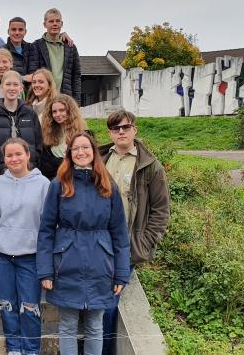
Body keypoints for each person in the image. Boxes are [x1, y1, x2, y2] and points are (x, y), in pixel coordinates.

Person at [37, 132, 131, 355]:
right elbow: (46, 230)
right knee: (68, 326)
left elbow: (119, 233)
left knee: (95, 326)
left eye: (85, 148)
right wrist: (45, 271)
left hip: (101, 264)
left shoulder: (108, 185)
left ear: (94, 152)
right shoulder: (59, 184)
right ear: (69, 153)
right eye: (75, 148)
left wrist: (121, 273)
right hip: (67, 262)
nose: (81, 152)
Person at [100, 109, 171, 355]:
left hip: (125, 246)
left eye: (125, 127)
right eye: (115, 128)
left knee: (109, 303)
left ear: (134, 130)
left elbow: (161, 211)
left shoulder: (150, 166)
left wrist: (145, 242)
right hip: (96, 242)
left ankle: (105, 351)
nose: (121, 132)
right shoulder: (99, 157)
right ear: (109, 132)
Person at [0, 138, 50, 355]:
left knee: (30, 307)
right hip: (1, 253)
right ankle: (14, 347)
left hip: (30, 255)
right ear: (3, 159)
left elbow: (48, 222)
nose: (14, 159)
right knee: (6, 304)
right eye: (9, 155)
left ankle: (31, 349)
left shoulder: (43, 184)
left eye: (18, 154)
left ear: (28, 155)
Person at [0, 70, 43, 177]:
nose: (11, 88)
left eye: (15, 84)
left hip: (28, 173)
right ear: (2, 88)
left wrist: (31, 166)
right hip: (1, 175)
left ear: (21, 88)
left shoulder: (30, 113)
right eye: (8, 84)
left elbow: (38, 145)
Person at [29, 8, 82, 102]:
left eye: (58, 21)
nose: (55, 24)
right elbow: (33, 74)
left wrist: (76, 101)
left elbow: (76, 76)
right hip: (44, 99)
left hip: (65, 99)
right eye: (51, 21)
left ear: (62, 24)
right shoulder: (36, 46)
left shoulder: (70, 47)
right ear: (44, 24)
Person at [40, 94, 87, 180]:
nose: (58, 114)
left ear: (70, 111)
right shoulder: (47, 133)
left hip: (75, 178)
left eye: (62, 110)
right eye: (54, 111)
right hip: (54, 178)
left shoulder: (82, 133)